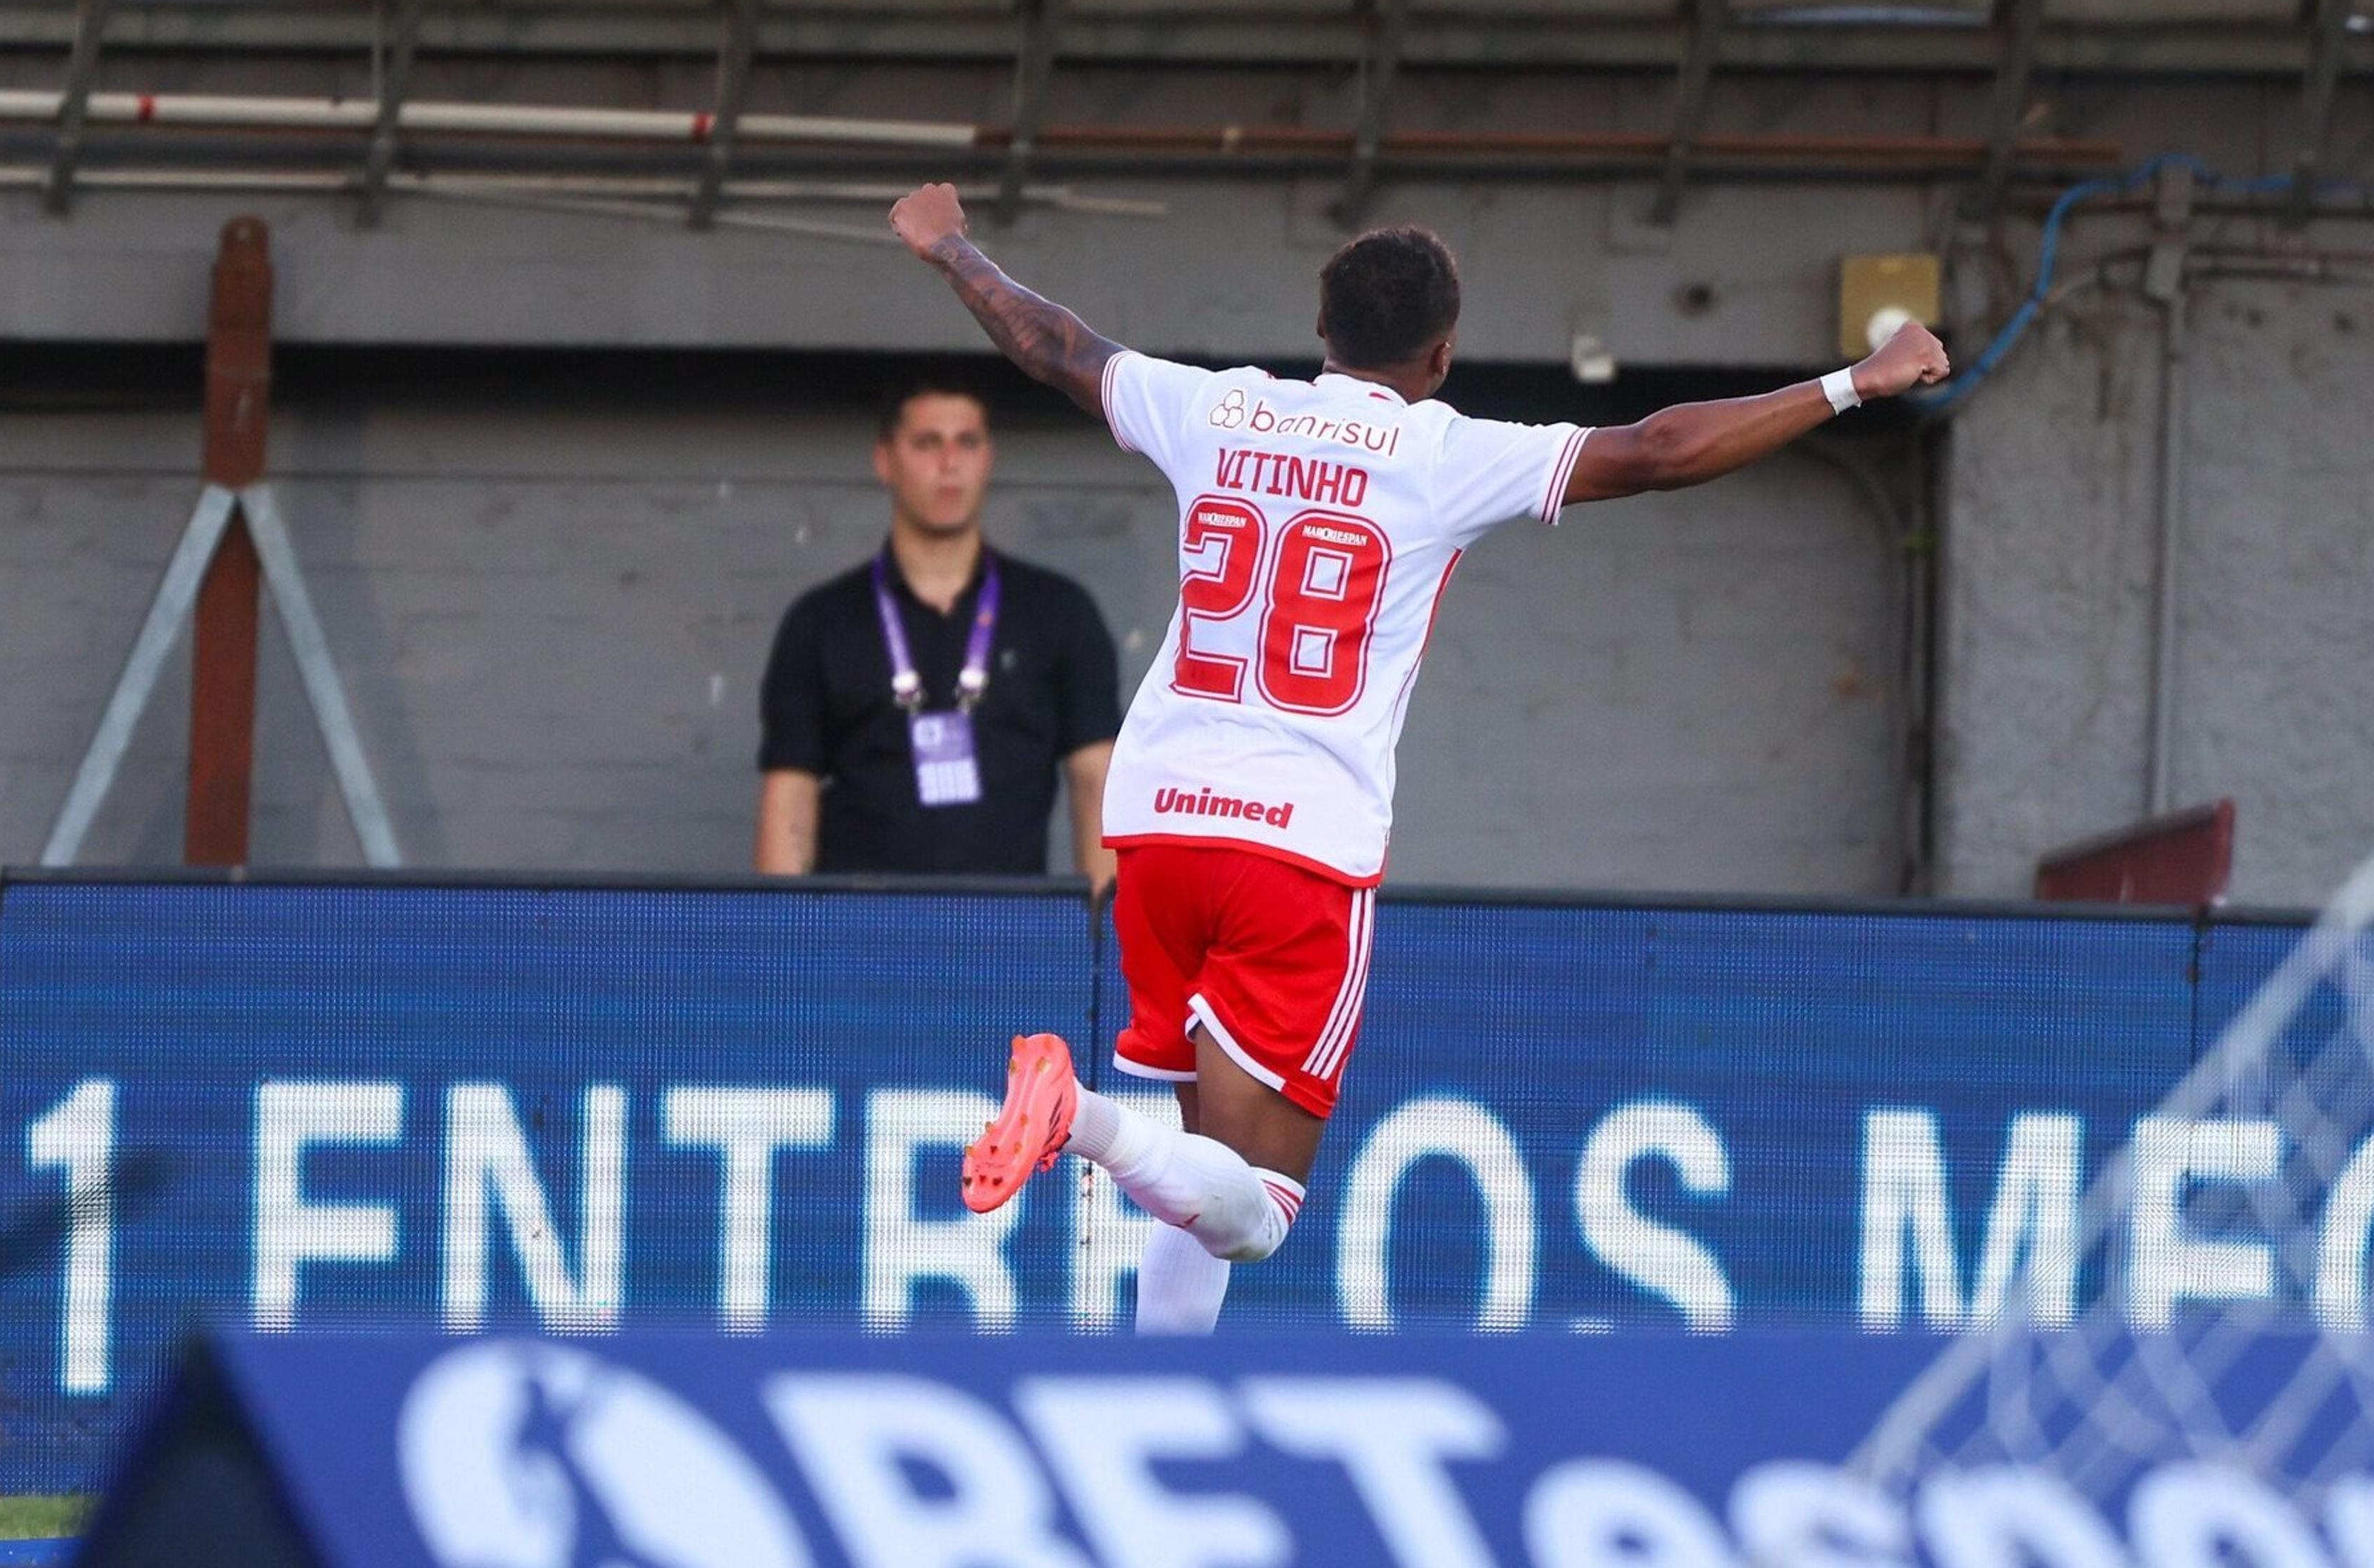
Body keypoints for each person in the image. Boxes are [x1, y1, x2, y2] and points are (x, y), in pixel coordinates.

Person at [886, 181, 1949, 1332]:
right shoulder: (1438, 453)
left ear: (1320, 333)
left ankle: (1146, 1393)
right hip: (1294, 851)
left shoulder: (1217, 410)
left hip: (1155, 826)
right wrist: (1859, 381)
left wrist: (955, 252)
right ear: (1441, 354)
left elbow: (1055, 345)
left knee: (1196, 1175)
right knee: (1263, 1209)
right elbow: (1657, 448)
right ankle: (1078, 1114)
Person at [754, 385, 1121, 893]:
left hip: (1012, 934)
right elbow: (789, 799)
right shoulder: (823, 620)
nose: (949, 463)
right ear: (885, 460)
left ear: (988, 458)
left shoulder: (1059, 611)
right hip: (857, 936)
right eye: (927, 443)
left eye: (967, 442)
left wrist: (1099, 949)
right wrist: (781, 942)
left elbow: (1096, 784)